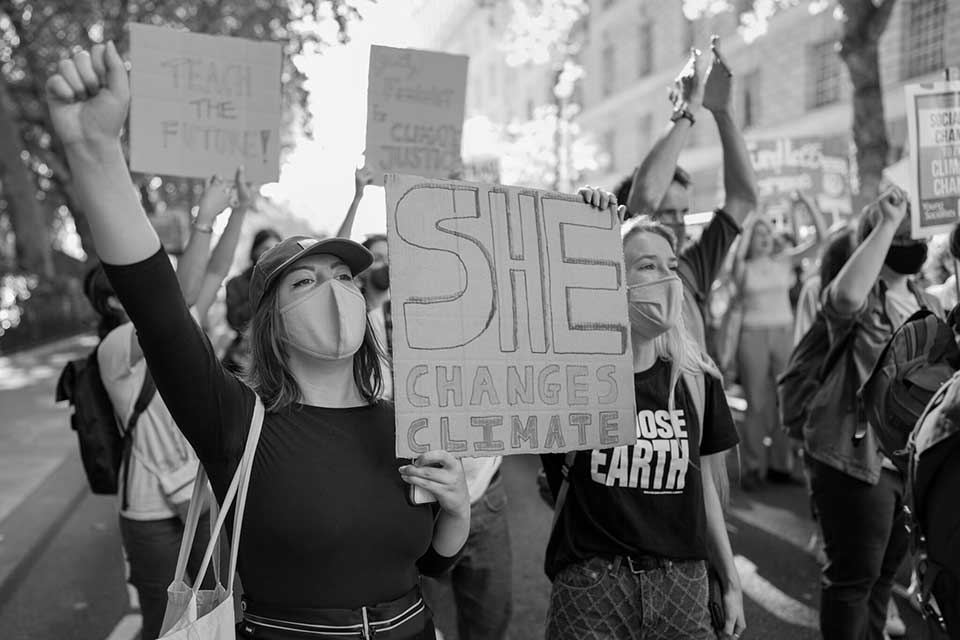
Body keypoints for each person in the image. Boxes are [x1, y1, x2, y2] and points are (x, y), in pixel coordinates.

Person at [47, 42, 469, 639]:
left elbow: (430, 565)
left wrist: (455, 509)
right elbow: (161, 311)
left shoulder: (407, 422)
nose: (333, 289)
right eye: (306, 280)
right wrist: (94, 153)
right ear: (272, 321)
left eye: (344, 277)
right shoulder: (238, 423)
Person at [540, 188, 745, 640]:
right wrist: (585, 228)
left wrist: (730, 581)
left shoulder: (696, 380)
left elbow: (704, 489)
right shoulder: (570, 379)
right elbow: (534, 299)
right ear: (613, 279)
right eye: (647, 266)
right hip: (593, 588)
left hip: (683, 589)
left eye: (671, 267)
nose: (667, 278)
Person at [336, 176, 513, 639]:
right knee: (421, 627)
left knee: (490, 625)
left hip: (483, 499)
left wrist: (596, 220)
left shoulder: (487, 308)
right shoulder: (369, 326)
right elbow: (339, 275)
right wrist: (357, 199)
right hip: (413, 504)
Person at [810, 186, 940, 640]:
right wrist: (886, 221)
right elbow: (843, 299)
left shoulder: (930, 301)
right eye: (899, 233)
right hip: (856, 457)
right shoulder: (862, 298)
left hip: (905, 467)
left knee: (882, 578)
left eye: (913, 229)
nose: (912, 240)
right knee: (854, 580)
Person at [83, 265, 208, 640]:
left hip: (197, 492)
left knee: (219, 602)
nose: (145, 289)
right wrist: (203, 221)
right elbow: (175, 302)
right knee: (164, 623)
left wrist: (230, 213)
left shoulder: (173, 333)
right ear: (111, 302)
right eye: (129, 286)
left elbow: (214, 270)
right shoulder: (117, 345)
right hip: (146, 511)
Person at [614, 35, 758, 354]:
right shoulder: (618, 272)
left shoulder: (692, 266)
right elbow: (646, 198)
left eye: (683, 213)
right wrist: (687, 111)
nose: (678, 224)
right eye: (667, 214)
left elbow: (744, 198)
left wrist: (723, 113)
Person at [731, 205, 826, 490]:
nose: (763, 237)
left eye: (766, 232)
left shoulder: (784, 260)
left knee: (787, 400)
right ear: (749, 237)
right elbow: (737, 257)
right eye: (757, 233)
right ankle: (751, 468)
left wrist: (808, 203)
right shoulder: (742, 267)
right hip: (752, 336)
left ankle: (780, 465)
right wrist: (749, 225)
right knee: (756, 404)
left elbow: (821, 239)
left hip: (783, 334)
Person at [223, 226, 281, 373]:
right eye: (265, 248)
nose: (271, 254)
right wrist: (263, 289)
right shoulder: (236, 283)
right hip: (237, 363)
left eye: (276, 249)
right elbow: (235, 321)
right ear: (254, 251)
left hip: (271, 367)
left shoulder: (283, 287)